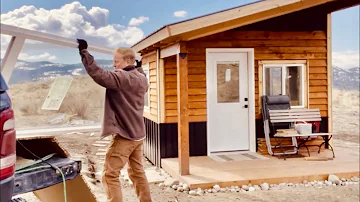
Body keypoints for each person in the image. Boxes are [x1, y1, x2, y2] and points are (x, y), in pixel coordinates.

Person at [77, 39, 152, 202]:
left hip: (125, 136)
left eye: (116, 62)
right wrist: (139, 66)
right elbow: (140, 73)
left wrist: (85, 53)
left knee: (110, 175)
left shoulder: (122, 77)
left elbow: (100, 75)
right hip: (138, 135)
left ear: (127, 61)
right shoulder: (141, 78)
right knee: (137, 173)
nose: (114, 65)